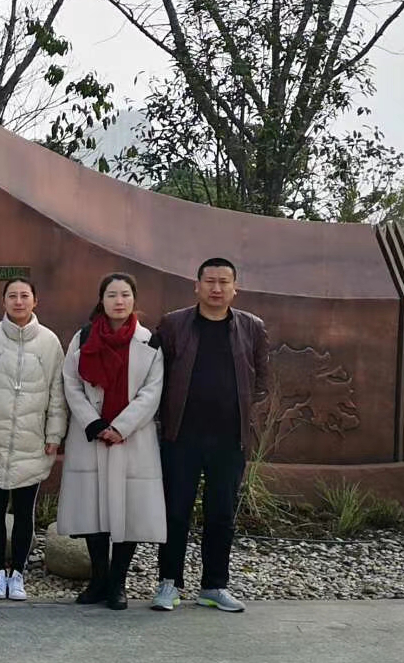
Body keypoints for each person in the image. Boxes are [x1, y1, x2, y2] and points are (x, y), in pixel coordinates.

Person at [151, 257, 268, 614]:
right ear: (197, 285)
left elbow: (262, 379)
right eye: (210, 281)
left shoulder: (251, 327)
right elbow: (154, 375)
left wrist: (243, 415)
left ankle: (214, 586)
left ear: (235, 288)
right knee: (175, 512)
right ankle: (169, 582)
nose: (217, 289)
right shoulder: (173, 324)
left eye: (224, 282)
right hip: (180, 436)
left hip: (230, 439)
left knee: (221, 514)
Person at [55, 272, 166, 611]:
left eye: (125, 294)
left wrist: (121, 427)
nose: (119, 301)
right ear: (101, 300)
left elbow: (152, 391)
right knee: (93, 511)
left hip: (132, 439)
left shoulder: (150, 342)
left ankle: (118, 583)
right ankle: (99, 580)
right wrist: (95, 423)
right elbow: (70, 382)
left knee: (128, 512)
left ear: (134, 299)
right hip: (91, 436)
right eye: (112, 295)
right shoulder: (84, 337)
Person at [0, 276, 66, 601]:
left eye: (25, 295)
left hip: (31, 440)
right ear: (4, 301)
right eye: (12, 296)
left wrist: (54, 434)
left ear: (35, 301)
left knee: (25, 511)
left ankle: (18, 574)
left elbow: (57, 392)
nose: (19, 301)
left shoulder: (49, 342)